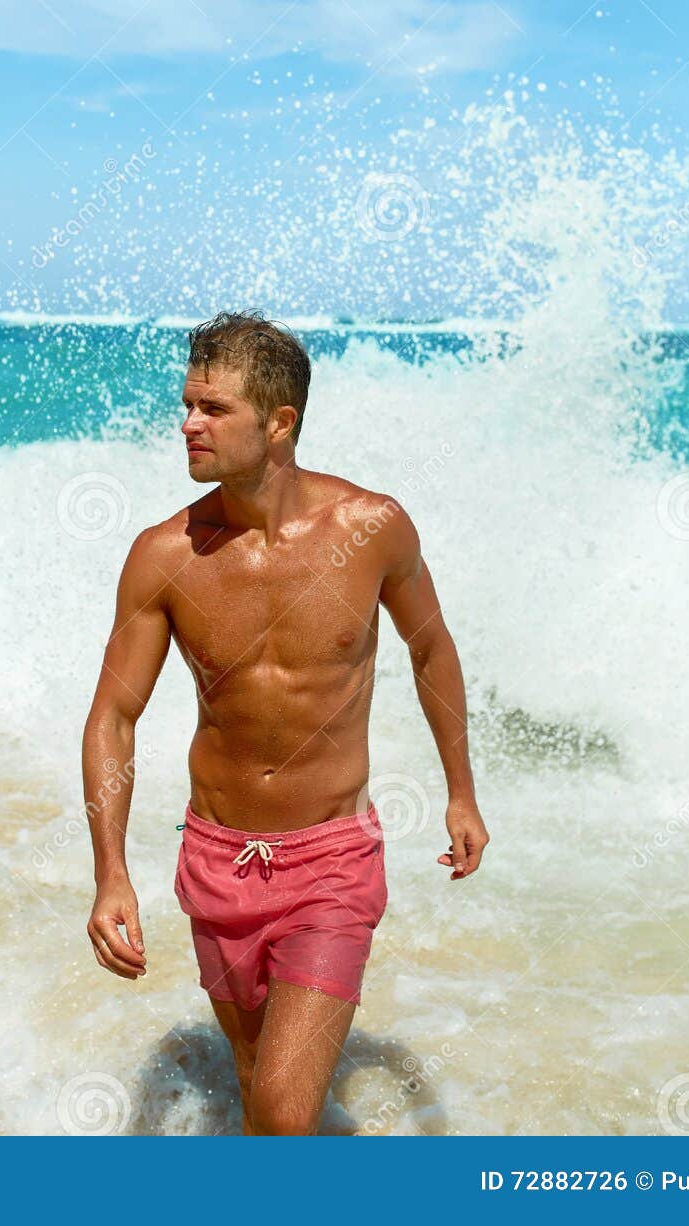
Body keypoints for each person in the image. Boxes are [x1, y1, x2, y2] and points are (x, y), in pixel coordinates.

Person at [82, 310, 489, 1136]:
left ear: (279, 423)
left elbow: (431, 650)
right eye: (186, 404)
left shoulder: (369, 527)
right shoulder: (165, 555)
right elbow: (113, 717)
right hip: (215, 860)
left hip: (331, 862)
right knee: (249, 1080)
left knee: (280, 1107)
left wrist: (460, 793)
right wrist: (110, 872)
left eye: (212, 409)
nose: (187, 424)